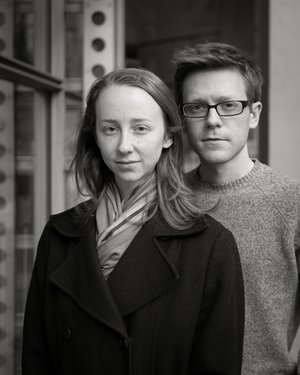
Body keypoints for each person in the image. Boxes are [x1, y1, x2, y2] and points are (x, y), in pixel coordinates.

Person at [22, 67, 244, 375]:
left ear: (167, 136)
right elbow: (37, 357)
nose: (124, 146)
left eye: (140, 129)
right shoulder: (60, 233)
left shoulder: (209, 244)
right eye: (110, 129)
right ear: (95, 137)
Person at [172, 41, 300, 375]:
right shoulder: (165, 199)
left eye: (228, 105)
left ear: (254, 113)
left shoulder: (292, 201)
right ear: (183, 117)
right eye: (197, 107)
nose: (213, 120)